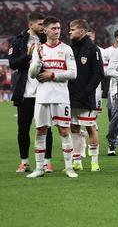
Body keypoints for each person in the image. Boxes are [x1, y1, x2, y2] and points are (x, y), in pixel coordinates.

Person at [26, 16, 78, 178]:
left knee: (64, 131)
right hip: (42, 97)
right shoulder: (39, 48)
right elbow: (33, 74)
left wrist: (52, 75)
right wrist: (38, 61)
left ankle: (69, 168)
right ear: (46, 30)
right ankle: (39, 169)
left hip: (61, 96)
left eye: (59, 28)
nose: (57, 31)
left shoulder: (66, 49)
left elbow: (73, 73)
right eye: (53, 28)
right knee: (40, 131)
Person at [9, 12, 54, 173]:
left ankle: (47, 162)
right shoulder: (19, 40)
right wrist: (27, 55)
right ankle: (24, 162)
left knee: (46, 128)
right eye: (41, 24)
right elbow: (13, 64)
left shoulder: (48, 40)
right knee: (23, 128)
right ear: (31, 25)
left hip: (44, 91)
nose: (43, 27)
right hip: (26, 92)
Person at [68, 19, 104, 172]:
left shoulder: (93, 49)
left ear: (81, 31)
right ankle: (77, 161)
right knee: (74, 128)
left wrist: (88, 91)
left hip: (86, 97)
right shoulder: (70, 49)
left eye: (73, 29)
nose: (69, 31)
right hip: (70, 96)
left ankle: (94, 161)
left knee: (90, 128)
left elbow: (99, 74)